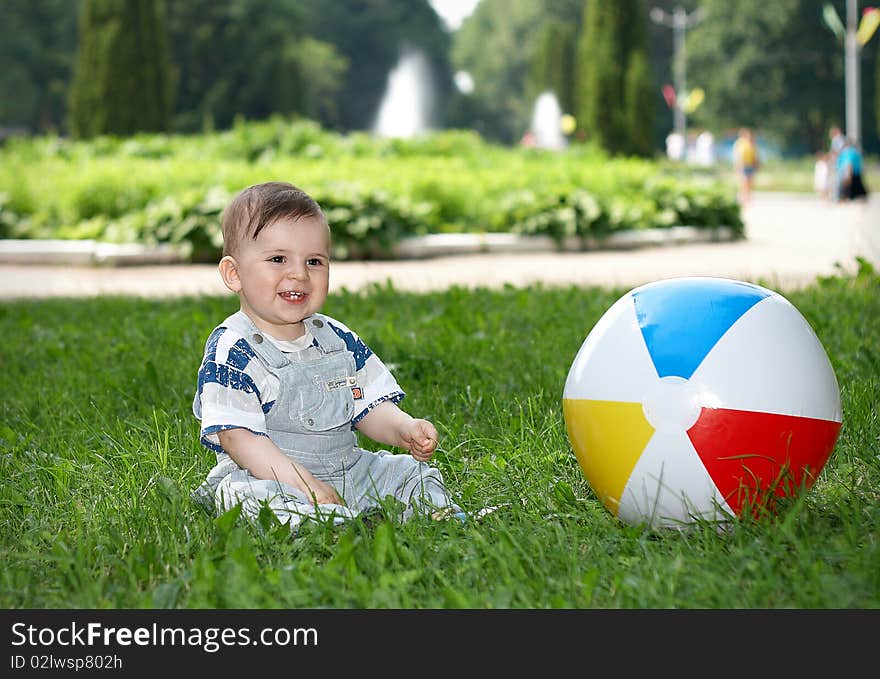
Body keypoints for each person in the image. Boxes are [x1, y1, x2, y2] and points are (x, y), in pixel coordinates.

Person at [191, 181, 465, 531]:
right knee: (248, 499)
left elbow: (366, 403)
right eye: (278, 259)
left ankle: (439, 516)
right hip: (267, 475)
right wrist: (305, 485)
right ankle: (332, 527)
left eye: (315, 261)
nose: (299, 274)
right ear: (234, 274)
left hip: (346, 469)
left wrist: (403, 428)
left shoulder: (336, 339)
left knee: (409, 473)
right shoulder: (234, 349)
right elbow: (238, 437)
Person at [732, 127, 760, 207]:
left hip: (751, 165)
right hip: (743, 165)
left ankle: (748, 198)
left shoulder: (751, 143)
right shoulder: (739, 143)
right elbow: (737, 155)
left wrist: (757, 163)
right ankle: (743, 199)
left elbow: (755, 155)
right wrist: (737, 165)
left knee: (750, 183)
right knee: (744, 183)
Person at [836, 137, 869, 202]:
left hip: (850, 174)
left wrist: (848, 176)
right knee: (859, 192)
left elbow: (849, 165)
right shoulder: (854, 152)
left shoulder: (848, 152)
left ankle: (844, 200)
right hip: (855, 174)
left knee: (846, 191)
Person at [828, 125, 846, 202]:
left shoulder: (836, 139)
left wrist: (831, 158)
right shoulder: (842, 138)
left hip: (838, 162)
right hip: (842, 161)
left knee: (837, 180)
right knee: (840, 180)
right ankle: (840, 196)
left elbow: (837, 151)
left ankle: (838, 197)